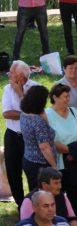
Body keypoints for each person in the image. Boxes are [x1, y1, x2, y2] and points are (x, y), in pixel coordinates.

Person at [2, 60, 41, 208]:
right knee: (13, 173)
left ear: (21, 76)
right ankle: (21, 206)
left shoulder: (36, 88)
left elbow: (37, 114)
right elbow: (6, 113)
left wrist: (20, 93)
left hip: (30, 137)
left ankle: (36, 205)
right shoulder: (7, 89)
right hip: (12, 135)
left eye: (11, 72)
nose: (8, 74)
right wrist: (27, 113)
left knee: (33, 172)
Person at [20, 85, 58, 191]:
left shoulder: (24, 114)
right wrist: (54, 166)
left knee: (35, 192)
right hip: (40, 165)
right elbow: (44, 147)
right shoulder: (38, 121)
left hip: (29, 160)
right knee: (42, 196)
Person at [46, 83, 77, 212]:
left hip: (75, 160)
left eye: (68, 96)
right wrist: (72, 150)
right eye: (65, 97)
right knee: (61, 198)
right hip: (59, 161)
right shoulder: (47, 115)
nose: (68, 99)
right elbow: (48, 142)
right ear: (55, 97)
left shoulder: (74, 112)